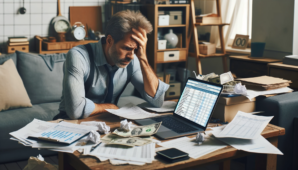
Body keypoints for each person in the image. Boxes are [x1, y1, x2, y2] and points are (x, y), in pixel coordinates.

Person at [57, 10, 169, 120]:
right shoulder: (78, 56)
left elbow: (157, 101)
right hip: (71, 124)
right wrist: (110, 107)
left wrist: (143, 58)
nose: (131, 56)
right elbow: (75, 110)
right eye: (127, 48)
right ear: (110, 40)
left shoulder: (133, 59)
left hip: (108, 122)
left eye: (136, 49)